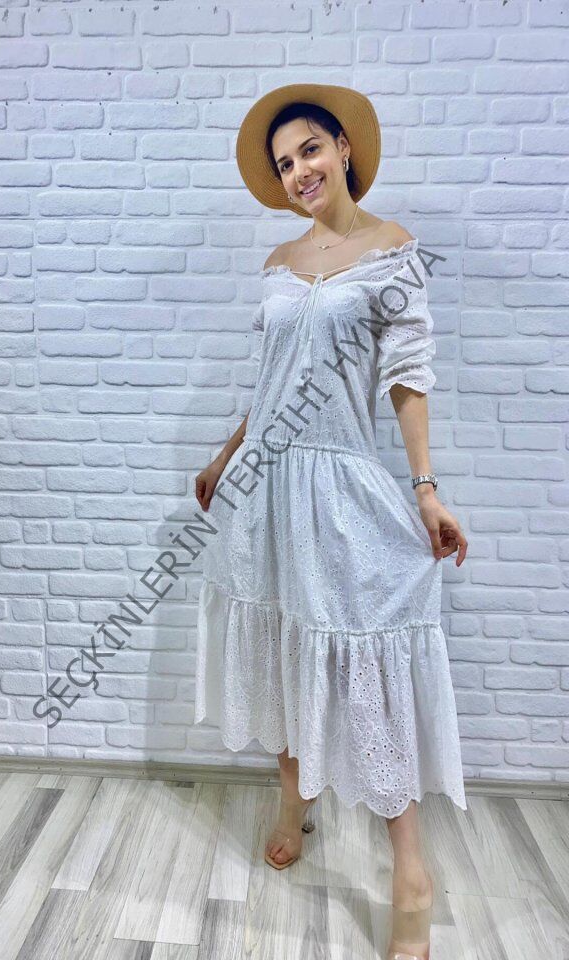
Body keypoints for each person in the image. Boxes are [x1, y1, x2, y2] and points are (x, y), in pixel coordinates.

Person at [194, 83, 468, 960]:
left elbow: (408, 378)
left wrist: (425, 489)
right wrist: (224, 456)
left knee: (362, 669)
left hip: (341, 484)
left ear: (344, 148)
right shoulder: (279, 261)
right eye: (284, 164)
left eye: (309, 149)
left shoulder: (392, 252)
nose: (299, 171)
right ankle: (294, 800)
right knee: (283, 644)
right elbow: (271, 382)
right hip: (264, 489)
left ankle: (411, 877)